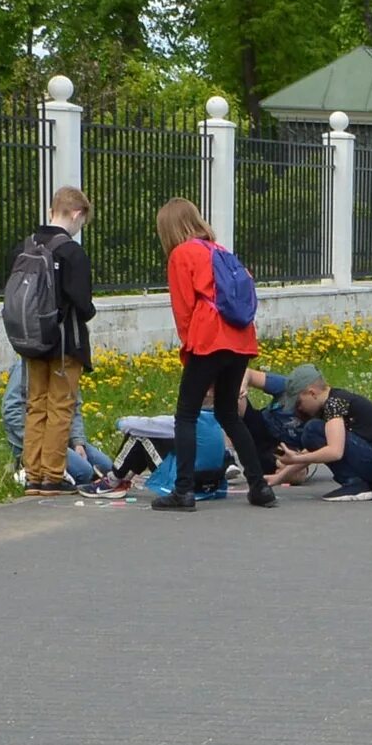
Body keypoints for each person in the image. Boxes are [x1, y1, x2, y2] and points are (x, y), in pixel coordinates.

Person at [151, 196, 271, 513]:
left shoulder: (181, 254)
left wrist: (189, 351)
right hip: (241, 339)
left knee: (186, 415)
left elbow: (184, 310)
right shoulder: (221, 251)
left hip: (209, 338)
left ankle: (183, 490)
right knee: (229, 413)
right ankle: (259, 486)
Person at [11, 186, 97, 493]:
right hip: (65, 345)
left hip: (33, 340)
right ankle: (52, 475)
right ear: (76, 214)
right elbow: (83, 304)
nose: (79, 228)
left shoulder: (28, 245)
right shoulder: (72, 252)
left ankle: (32, 475)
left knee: (35, 406)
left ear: (52, 210)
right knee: (61, 407)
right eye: (81, 222)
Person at [260, 363, 372, 501]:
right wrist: (279, 477)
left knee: (312, 429)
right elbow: (311, 451)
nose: (298, 409)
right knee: (312, 433)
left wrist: (296, 459)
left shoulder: (335, 403)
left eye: (299, 403)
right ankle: (357, 483)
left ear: (312, 393)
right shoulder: (330, 404)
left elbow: (335, 451)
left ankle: (355, 483)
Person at [3, 356, 121, 495]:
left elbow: (73, 406)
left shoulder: (65, 365)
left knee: (107, 467)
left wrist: (78, 441)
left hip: (62, 436)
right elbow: (11, 410)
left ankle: (68, 473)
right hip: (33, 440)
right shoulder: (24, 368)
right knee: (84, 472)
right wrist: (37, 441)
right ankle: (29, 469)